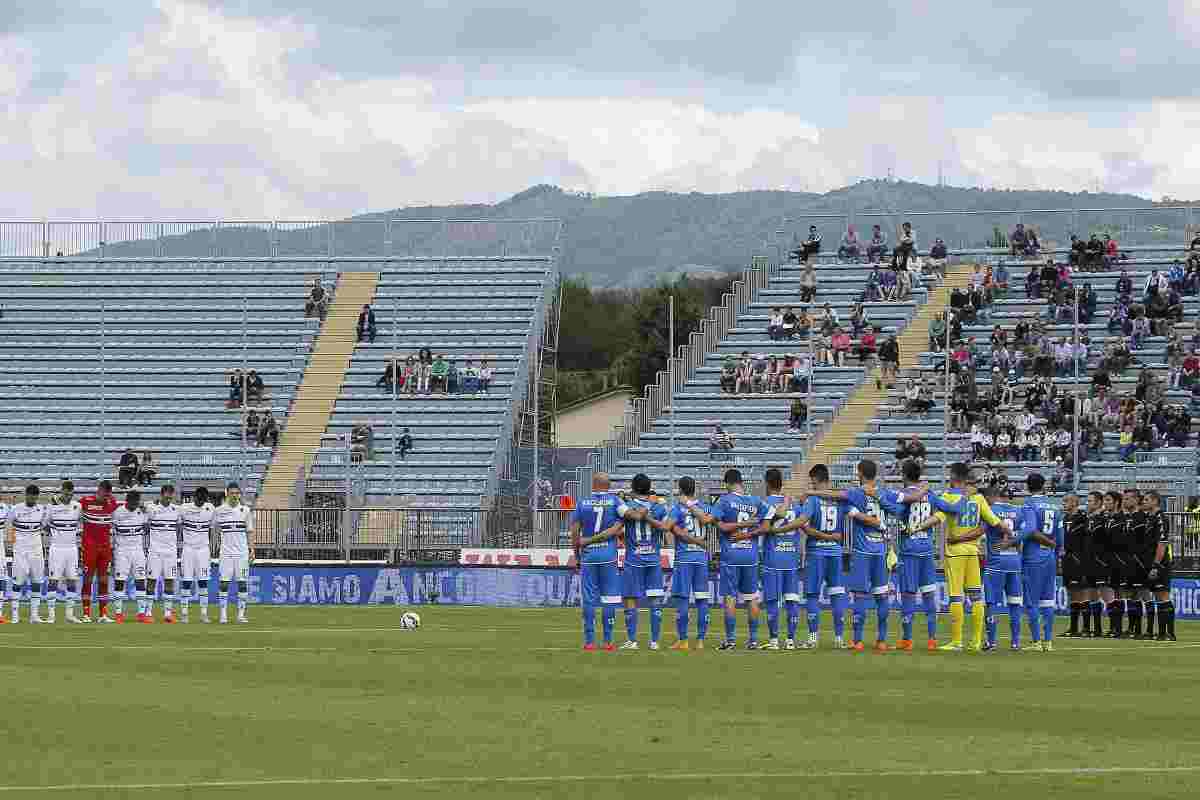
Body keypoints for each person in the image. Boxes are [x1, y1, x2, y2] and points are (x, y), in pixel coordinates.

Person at [910, 462, 1011, 651]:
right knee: (976, 596)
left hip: (955, 552)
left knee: (956, 596)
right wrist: (1010, 534)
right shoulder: (979, 498)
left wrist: (917, 527)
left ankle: (956, 642)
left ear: (954, 476)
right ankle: (976, 641)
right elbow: (995, 522)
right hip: (974, 551)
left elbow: (937, 518)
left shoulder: (948, 497)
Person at [876, 460, 959, 651]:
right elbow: (951, 509)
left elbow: (892, 507)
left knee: (908, 594)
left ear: (904, 476)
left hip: (909, 550)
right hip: (927, 549)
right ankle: (931, 639)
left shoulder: (903, 495)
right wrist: (963, 498)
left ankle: (907, 639)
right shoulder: (929, 495)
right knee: (929, 594)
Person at [713, 468, 774, 650]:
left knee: (730, 597)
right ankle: (753, 640)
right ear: (741, 482)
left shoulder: (723, 501)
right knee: (751, 597)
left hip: (731, 555)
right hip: (751, 555)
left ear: (727, 483)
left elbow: (721, 526)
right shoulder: (756, 501)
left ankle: (731, 640)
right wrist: (749, 533)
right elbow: (766, 525)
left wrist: (740, 529)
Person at [794, 464, 849, 649]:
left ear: (817, 480)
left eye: (812, 482)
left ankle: (812, 638)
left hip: (816, 552)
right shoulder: (839, 500)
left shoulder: (812, 500)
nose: (811, 485)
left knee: (812, 595)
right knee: (837, 594)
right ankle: (839, 638)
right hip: (835, 551)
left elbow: (804, 524)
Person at [569, 473, 626, 650]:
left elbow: (574, 534)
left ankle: (589, 642)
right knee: (609, 599)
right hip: (608, 556)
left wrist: (577, 556)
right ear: (608, 486)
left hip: (589, 557)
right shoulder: (616, 502)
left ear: (593, 484)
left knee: (589, 599)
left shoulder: (582, 503)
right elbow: (622, 524)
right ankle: (608, 641)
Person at [615, 474, 671, 650]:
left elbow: (619, 528)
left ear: (633, 487)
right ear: (649, 488)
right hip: (653, 558)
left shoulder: (626, 506)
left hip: (634, 559)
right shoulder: (660, 507)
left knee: (630, 598)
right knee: (655, 599)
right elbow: (666, 529)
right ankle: (654, 641)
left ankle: (632, 640)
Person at [666, 477, 714, 650]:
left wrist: (677, 530)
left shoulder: (678, 508)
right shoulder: (704, 507)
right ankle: (700, 640)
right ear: (694, 490)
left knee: (683, 599)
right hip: (701, 557)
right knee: (702, 599)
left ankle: (683, 640)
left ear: (681, 490)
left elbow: (667, 526)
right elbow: (710, 520)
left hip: (684, 558)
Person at [758, 468, 803, 650]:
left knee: (772, 600)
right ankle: (791, 640)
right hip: (791, 556)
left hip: (773, 557)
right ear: (781, 483)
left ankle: (774, 640)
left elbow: (763, 526)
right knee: (791, 598)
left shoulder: (765, 503)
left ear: (767, 484)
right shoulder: (793, 505)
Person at [980, 483, 1024, 651]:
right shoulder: (1018, 511)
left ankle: (991, 642)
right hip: (1014, 561)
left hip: (996, 562)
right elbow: (1020, 539)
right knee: (1015, 603)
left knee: (991, 603)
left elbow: (982, 534)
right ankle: (1015, 642)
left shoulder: (990, 510)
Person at [6, 485, 48, 623]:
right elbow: (8, 525)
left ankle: (34, 615)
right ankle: (15, 615)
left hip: (36, 549)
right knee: (17, 582)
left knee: (37, 581)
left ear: (37, 496)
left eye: (35, 496)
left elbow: (43, 526)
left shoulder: (41, 509)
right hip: (20, 550)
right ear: (26, 495)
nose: (33, 498)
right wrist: (11, 542)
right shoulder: (16, 509)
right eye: (30, 495)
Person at [213, 482, 253, 624]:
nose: (235, 496)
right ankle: (223, 615)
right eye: (232, 493)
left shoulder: (245, 511)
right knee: (224, 583)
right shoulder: (219, 511)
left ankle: (240, 615)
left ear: (240, 495)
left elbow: (249, 532)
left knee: (242, 583)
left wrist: (251, 549)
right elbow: (216, 531)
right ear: (227, 494)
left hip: (242, 553)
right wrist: (215, 547)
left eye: (237, 493)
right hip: (226, 553)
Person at [79, 481, 117, 623]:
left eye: (109, 494)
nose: (106, 496)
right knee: (88, 579)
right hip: (89, 547)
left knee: (103, 581)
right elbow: (68, 506)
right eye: (104, 493)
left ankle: (103, 615)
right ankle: (86, 614)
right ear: (99, 490)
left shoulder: (111, 503)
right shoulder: (85, 501)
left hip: (105, 548)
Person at [45, 480, 83, 624]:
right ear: (61, 492)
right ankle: (51, 615)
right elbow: (44, 524)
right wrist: (55, 533)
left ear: (72, 494)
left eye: (70, 494)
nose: (67, 496)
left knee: (72, 580)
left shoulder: (77, 506)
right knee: (53, 580)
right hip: (56, 548)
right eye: (65, 494)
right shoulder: (51, 507)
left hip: (72, 548)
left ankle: (69, 614)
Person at [111, 489, 150, 624]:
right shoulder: (118, 513)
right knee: (120, 581)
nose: (136, 505)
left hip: (138, 551)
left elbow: (146, 526)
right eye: (134, 502)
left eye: (137, 502)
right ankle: (118, 613)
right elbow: (112, 532)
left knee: (140, 580)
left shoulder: (141, 512)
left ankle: (141, 613)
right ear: (127, 501)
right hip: (122, 551)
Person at [145, 484, 181, 623]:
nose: (169, 498)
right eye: (167, 495)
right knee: (152, 581)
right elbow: (142, 509)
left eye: (171, 495)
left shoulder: (176, 510)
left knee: (169, 581)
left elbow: (178, 528)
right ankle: (148, 612)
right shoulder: (151, 508)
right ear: (161, 495)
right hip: (155, 551)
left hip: (170, 553)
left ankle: (168, 614)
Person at [179, 486, 216, 624]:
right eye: (199, 500)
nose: (201, 502)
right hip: (188, 549)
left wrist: (211, 547)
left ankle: (204, 614)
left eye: (203, 500)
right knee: (187, 581)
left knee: (203, 581)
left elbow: (212, 530)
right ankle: (184, 613)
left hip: (203, 550)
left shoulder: (210, 508)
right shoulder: (184, 508)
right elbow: (176, 524)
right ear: (194, 498)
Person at [1143, 491, 1176, 641]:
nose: (1144, 502)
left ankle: (1169, 633)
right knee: (1157, 595)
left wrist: (1156, 564)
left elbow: (1162, 543)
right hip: (1151, 561)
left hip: (1160, 562)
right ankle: (1161, 632)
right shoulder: (1150, 518)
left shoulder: (1161, 517)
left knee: (1163, 595)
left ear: (1155, 501)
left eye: (1147, 499)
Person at [1060, 493, 1093, 638]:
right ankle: (1073, 628)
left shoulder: (1083, 518)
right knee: (1072, 593)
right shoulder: (1065, 518)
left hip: (1079, 560)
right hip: (1067, 559)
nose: (1063, 504)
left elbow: (1088, 541)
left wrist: (1083, 559)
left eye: (1066, 501)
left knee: (1082, 592)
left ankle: (1086, 628)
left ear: (1074, 502)